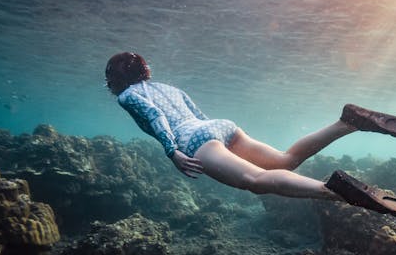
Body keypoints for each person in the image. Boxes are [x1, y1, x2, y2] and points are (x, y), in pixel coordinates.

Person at [105, 52, 355, 201]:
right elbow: (199, 115)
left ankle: (333, 191)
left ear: (116, 78)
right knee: (285, 160)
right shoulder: (169, 88)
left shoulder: (126, 96)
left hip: (194, 139)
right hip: (217, 126)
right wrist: (216, 137)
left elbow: (154, 114)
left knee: (257, 180)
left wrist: (172, 152)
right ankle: (346, 123)